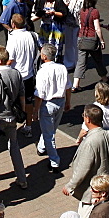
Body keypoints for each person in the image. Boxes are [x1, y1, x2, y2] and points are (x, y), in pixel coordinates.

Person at [63, 104, 109, 217]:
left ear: (87, 119)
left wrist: (70, 186)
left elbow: (83, 168)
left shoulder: (90, 142)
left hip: (92, 195)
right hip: (108, 190)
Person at [0, 45, 27, 188]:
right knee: (14, 146)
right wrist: (21, 112)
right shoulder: (16, 73)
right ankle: (22, 178)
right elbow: (22, 95)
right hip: (12, 116)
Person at [35, 44, 70, 173]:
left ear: (44, 56)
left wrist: (35, 111)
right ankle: (41, 147)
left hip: (47, 104)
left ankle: (54, 161)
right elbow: (68, 87)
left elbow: (40, 95)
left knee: (49, 134)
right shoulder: (62, 68)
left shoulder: (42, 72)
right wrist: (68, 102)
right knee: (51, 129)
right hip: (60, 101)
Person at [4, 14, 39, 134]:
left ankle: (12, 129)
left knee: (11, 103)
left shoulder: (13, 38)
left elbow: (10, 59)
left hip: (15, 76)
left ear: (13, 24)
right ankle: (28, 126)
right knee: (28, 102)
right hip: (29, 75)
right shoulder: (32, 35)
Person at [71, 0, 107, 92]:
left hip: (82, 38)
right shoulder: (95, 12)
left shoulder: (82, 11)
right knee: (98, 59)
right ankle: (104, 78)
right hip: (91, 39)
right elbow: (97, 28)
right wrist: (102, 40)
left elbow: (80, 23)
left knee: (81, 62)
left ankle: (75, 85)